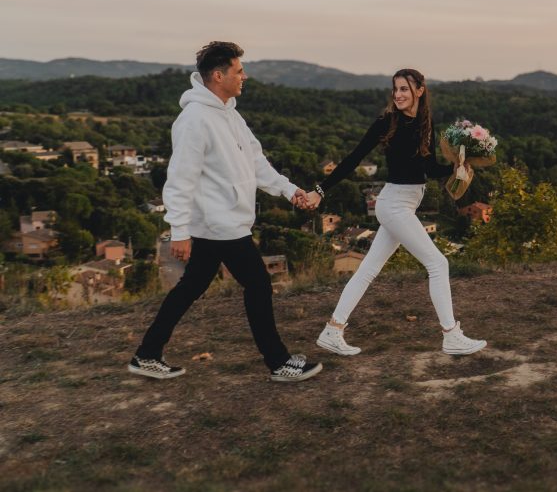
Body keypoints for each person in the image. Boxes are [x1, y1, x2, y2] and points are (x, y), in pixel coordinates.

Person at [128, 42, 322, 383]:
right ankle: (278, 362)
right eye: (238, 71)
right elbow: (180, 179)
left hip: (226, 222)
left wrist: (290, 190)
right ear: (218, 76)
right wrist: (179, 230)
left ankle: (146, 354)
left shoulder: (229, 113)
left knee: (190, 287)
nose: (244, 76)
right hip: (219, 225)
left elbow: (257, 163)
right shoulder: (194, 120)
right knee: (259, 284)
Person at [305, 68, 486, 356]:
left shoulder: (426, 122)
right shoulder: (387, 121)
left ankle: (332, 330)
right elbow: (354, 158)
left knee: (367, 270)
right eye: (395, 89)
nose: (398, 95)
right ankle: (451, 335)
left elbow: (427, 168)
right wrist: (320, 190)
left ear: (420, 90)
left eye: (404, 89)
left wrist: (457, 167)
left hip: (406, 202)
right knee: (438, 265)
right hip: (393, 204)